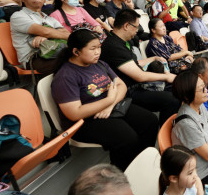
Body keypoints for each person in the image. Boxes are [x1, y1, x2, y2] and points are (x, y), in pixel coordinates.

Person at [51, 29, 158, 170]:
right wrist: (108, 101)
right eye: (92, 48)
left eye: (99, 47)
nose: (98, 52)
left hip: (110, 108)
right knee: (127, 138)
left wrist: (110, 103)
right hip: (86, 121)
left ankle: (141, 164)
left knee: (149, 121)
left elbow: (121, 85)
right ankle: (122, 175)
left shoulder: (99, 64)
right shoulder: (66, 76)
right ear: (76, 52)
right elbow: (74, 113)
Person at [100, 9, 179, 125]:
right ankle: (164, 134)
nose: (137, 31)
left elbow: (133, 64)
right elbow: (139, 76)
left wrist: (153, 58)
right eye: (136, 27)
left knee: (177, 89)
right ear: (126, 26)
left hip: (135, 86)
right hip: (129, 91)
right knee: (172, 99)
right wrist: (166, 77)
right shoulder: (113, 46)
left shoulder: (120, 41)